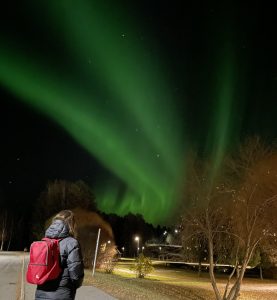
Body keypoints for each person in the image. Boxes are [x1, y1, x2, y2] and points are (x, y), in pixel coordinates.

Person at [35, 210, 84, 300]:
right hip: (62, 295)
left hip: (40, 294)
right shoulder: (72, 243)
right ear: (71, 225)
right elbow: (76, 276)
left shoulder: (44, 241)